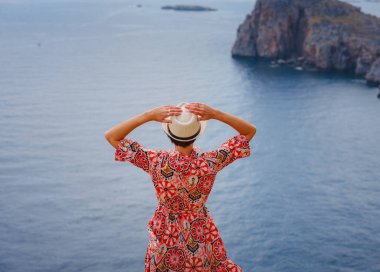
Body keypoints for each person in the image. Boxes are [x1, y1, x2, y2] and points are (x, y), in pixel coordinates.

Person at [105, 102, 256, 272]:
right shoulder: (210, 162)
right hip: (199, 234)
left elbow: (112, 136)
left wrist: (148, 115)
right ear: (197, 134)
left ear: (169, 134)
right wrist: (216, 113)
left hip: (165, 237)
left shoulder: (156, 162)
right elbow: (249, 131)